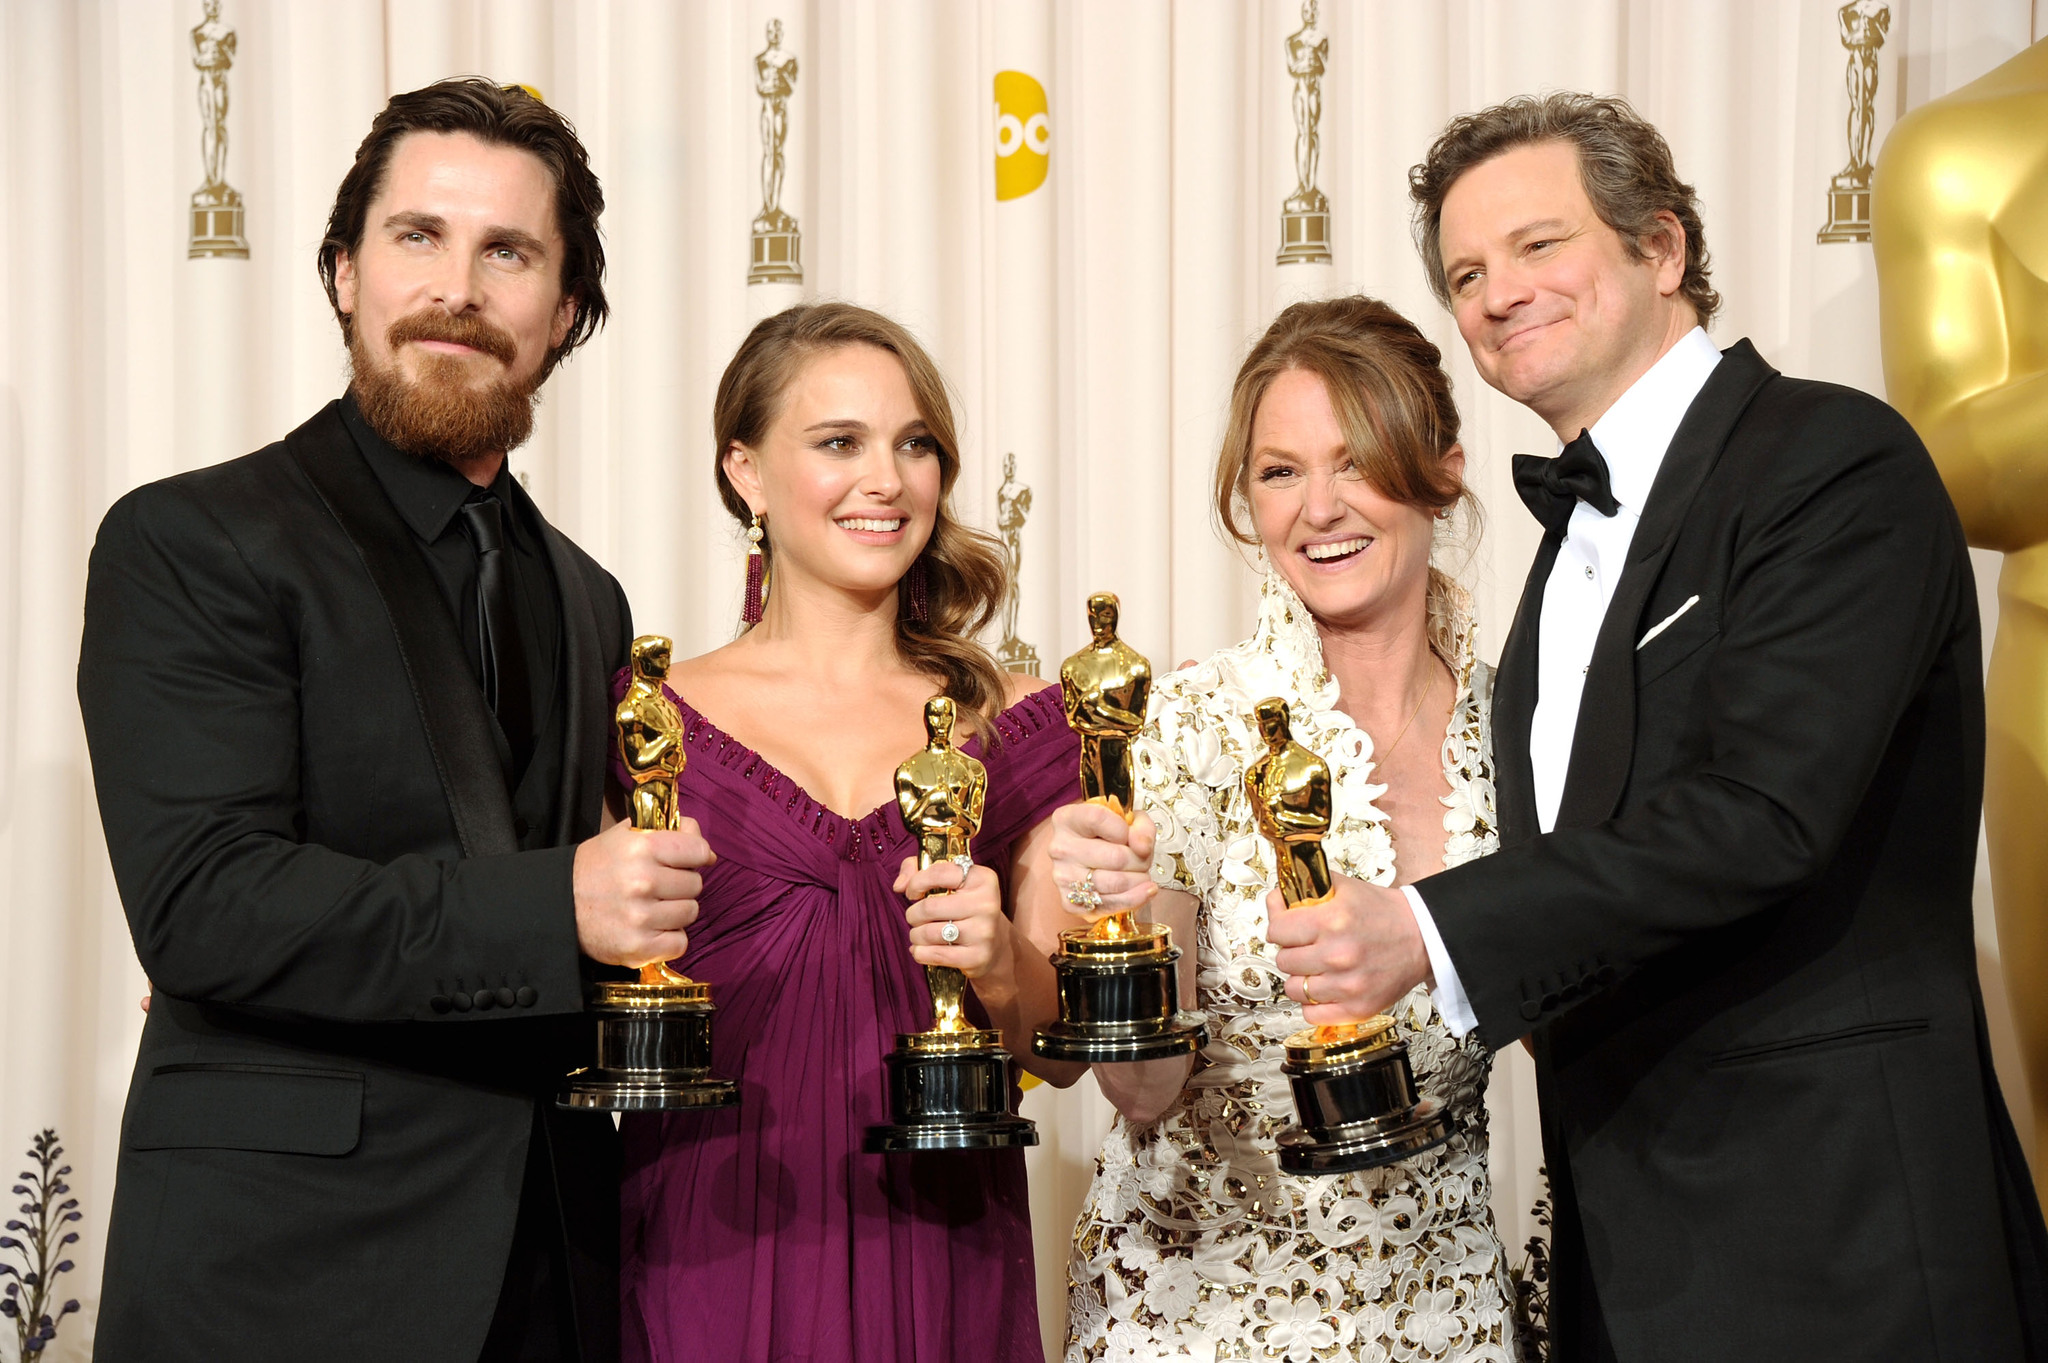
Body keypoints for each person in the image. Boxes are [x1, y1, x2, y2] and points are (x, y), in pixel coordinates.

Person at [1265, 92, 2048, 1359]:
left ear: (1663, 250)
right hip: (1633, 1246)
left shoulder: (1831, 463)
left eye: (1535, 245)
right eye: (1465, 273)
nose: (1496, 293)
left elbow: (1761, 815)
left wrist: (1426, 927)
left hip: (1833, 1232)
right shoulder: (1560, 561)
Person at [78, 80, 713, 1362]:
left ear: (566, 313)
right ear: (341, 274)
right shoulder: (190, 539)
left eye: (509, 252)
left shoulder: (591, 599)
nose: (457, 289)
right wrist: (558, 910)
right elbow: (204, 903)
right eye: (416, 237)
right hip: (278, 1279)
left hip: (555, 1274)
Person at [619, 303, 1085, 1363]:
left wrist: (1000, 954)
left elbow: (1056, 1054)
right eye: (839, 443)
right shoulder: (642, 721)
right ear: (744, 470)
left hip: (944, 1248)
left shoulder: (1021, 722)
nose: (887, 479)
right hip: (705, 1250)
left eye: (913, 444)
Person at [1055, 297, 1519, 1360]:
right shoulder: (1184, 723)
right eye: (1278, 471)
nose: (1318, 508)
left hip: (1446, 1312)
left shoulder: (1519, 724)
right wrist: (1108, 929)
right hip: (1196, 1314)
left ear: (1441, 467)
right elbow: (1142, 1088)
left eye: (1355, 462)